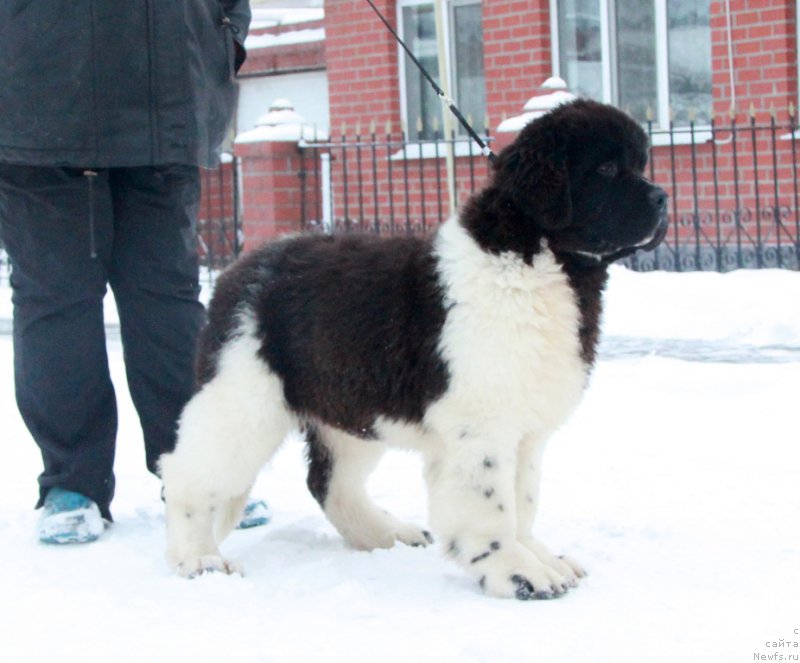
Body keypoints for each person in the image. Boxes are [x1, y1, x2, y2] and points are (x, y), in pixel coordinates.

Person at [0, 1, 269, 543]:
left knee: (167, 300)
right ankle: (72, 481)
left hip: (166, 98)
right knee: (56, 301)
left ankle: (197, 468)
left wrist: (222, 41)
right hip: (37, 98)